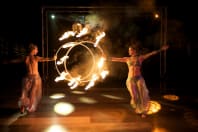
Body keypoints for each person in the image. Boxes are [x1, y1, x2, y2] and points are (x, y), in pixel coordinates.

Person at [108, 41, 169, 118]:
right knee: (134, 96)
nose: (129, 51)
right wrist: (106, 58)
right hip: (130, 79)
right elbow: (116, 59)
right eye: (129, 50)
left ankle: (144, 111)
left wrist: (161, 49)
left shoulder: (140, 58)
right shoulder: (127, 59)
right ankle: (138, 109)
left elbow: (151, 54)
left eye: (130, 50)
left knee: (142, 95)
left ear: (134, 51)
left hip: (139, 78)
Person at [4, 43, 56, 114]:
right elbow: (45, 59)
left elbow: (15, 60)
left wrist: (7, 61)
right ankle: (29, 107)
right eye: (36, 49)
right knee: (32, 93)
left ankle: (23, 108)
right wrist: (52, 58)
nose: (37, 51)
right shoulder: (35, 58)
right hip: (35, 78)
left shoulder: (26, 58)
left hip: (27, 77)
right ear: (33, 50)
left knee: (24, 93)